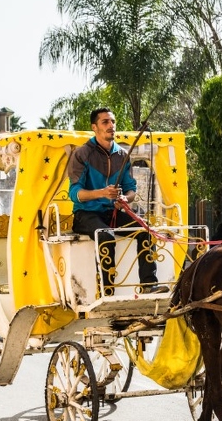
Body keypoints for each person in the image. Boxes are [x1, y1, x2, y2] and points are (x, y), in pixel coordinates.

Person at [67, 108, 162, 296]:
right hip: (86, 214)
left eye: (113, 121)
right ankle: (107, 291)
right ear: (94, 127)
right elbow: (74, 193)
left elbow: (131, 189)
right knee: (105, 235)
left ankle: (148, 285)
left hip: (113, 213)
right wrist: (102, 193)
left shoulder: (122, 155)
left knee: (146, 231)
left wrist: (125, 198)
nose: (111, 126)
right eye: (105, 122)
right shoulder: (82, 154)